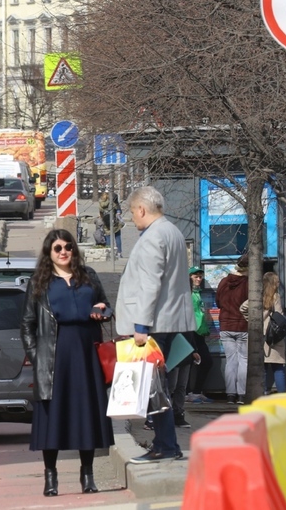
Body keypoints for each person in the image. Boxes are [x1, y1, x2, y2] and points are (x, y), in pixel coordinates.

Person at [21, 229, 114, 496]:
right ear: (49, 253)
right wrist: (37, 356)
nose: (64, 252)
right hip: (54, 354)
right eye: (57, 248)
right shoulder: (40, 282)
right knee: (54, 417)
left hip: (87, 352)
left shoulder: (89, 276)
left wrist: (102, 312)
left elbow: (106, 306)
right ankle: (51, 477)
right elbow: (27, 324)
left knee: (87, 413)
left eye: (68, 247)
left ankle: (88, 475)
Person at [115, 186, 192, 463]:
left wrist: (141, 326)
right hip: (169, 321)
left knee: (154, 388)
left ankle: (165, 445)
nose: (131, 218)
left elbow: (149, 285)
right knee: (158, 387)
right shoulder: (172, 232)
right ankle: (165, 443)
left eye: (132, 211)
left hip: (154, 324)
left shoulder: (152, 238)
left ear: (142, 209)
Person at [215, 253, 250, 404]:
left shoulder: (223, 282)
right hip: (242, 325)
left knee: (231, 361)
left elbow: (218, 302)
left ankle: (230, 394)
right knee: (243, 360)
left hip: (225, 326)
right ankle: (241, 394)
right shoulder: (248, 283)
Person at [186, 267, 214, 404]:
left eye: (200, 277)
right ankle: (187, 393)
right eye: (195, 277)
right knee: (188, 362)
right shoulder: (189, 294)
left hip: (200, 332)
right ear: (189, 277)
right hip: (191, 331)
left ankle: (196, 391)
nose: (199, 279)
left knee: (207, 361)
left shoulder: (198, 293)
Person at [262, 272, 286, 394]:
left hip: (261, 334)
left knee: (263, 368)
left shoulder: (257, 296)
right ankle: (282, 395)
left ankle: (263, 393)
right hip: (274, 335)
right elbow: (280, 316)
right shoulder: (276, 297)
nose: (278, 284)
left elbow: (243, 308)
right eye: (276, 282)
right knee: (278, 367)